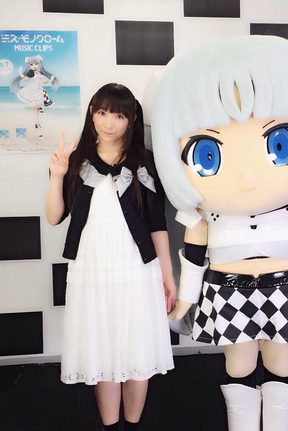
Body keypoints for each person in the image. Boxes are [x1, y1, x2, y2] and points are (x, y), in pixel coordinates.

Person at [150, 36, 288, 431]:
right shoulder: (202, 214)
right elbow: (193, 256)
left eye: (280, 143)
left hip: (287, 285)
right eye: (207, 154)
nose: (248, 175)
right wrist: (185, 300)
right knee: (238, 364)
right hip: (227, 289)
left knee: (281, 363)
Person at [45, 83, 175, 431]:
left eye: (118, 115)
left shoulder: (146, 163)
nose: (108, 122)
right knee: (102, 355)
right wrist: (56, 176)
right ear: (92, 114)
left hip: (137, 269)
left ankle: (132, 425)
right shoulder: (75, 161)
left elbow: (157, 224)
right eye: (102, 112)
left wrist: (167, 275)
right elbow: (54, 217)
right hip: (92, 269)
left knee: (137, 353)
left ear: (132, 119)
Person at [10, 55, 59, 138]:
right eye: (31, 64)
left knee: (38, 108)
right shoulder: (31, 72)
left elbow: (43, 82)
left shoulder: (40, 72)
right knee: (36, 107)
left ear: (39, 64)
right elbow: (26, 79)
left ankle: (36, 124)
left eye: (36, 64)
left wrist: (50, 80)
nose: (34, 66)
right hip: (34, 90)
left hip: (40, 90)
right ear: (29, 65)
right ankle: (36, 124)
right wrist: (20, 72)